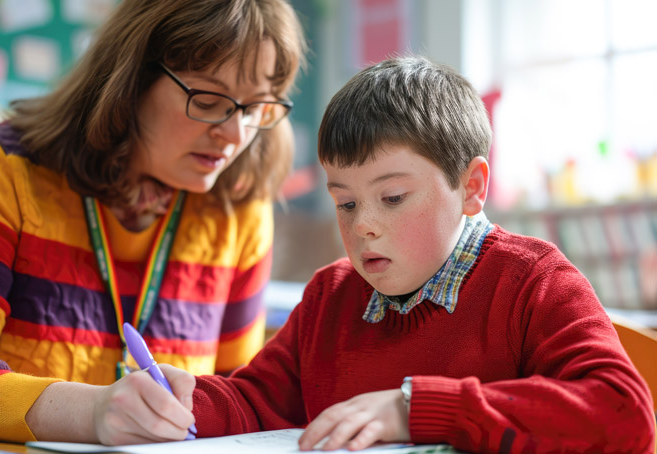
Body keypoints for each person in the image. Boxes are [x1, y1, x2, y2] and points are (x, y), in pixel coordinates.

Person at [171, 56, 655, 452]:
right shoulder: (331, 296)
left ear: (471, 187)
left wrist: (415, 408)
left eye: (393, 198)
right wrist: (179, 403)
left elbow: (624, 413)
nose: (362, 224)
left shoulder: (532, 282)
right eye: (345, 202)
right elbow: (255, 401)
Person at [0, 0, 305, 445]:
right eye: (207, 100)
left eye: (256, 108)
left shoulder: (238, 207)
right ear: (131, 78)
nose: (236, 134)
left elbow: (235, 394)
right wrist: (92, 412)